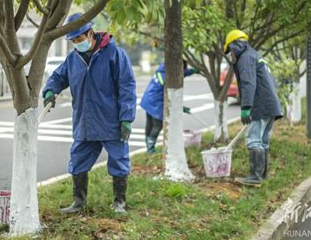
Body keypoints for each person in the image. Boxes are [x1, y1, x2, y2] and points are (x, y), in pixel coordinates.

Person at [43, 12, 136, 214]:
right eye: (73, 40)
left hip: (111, 121)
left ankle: (119, 202)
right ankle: (78, 202)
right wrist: (50, 91)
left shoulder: (114, 54)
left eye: (79, 39)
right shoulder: (73, 59)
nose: (77, 43)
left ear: (91, 34)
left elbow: (127, 87)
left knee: (119, 161)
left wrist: (126, 118)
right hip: (85, 122)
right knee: (77, 161)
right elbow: (58, 77)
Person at [223, 29, 282, 187]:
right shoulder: (254, 54)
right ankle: (262, 175)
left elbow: (248, 83)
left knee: (254, 140)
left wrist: (246, 107)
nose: (230, 55)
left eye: (230, 51)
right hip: (271, 105)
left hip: (260, 105)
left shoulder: (246, 58)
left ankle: (255, 177)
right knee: (263, 141)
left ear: (235, 46)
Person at [140, 61, 199, 154]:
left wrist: (193, 71)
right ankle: (150, 149)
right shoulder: (165, 78)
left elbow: (180, 72)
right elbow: (170, 94)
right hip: (156, 102)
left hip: (148, 99)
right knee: (157, 125)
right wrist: (180, 107)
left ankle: (149, 147)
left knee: (150, 124)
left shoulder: (165, 69)